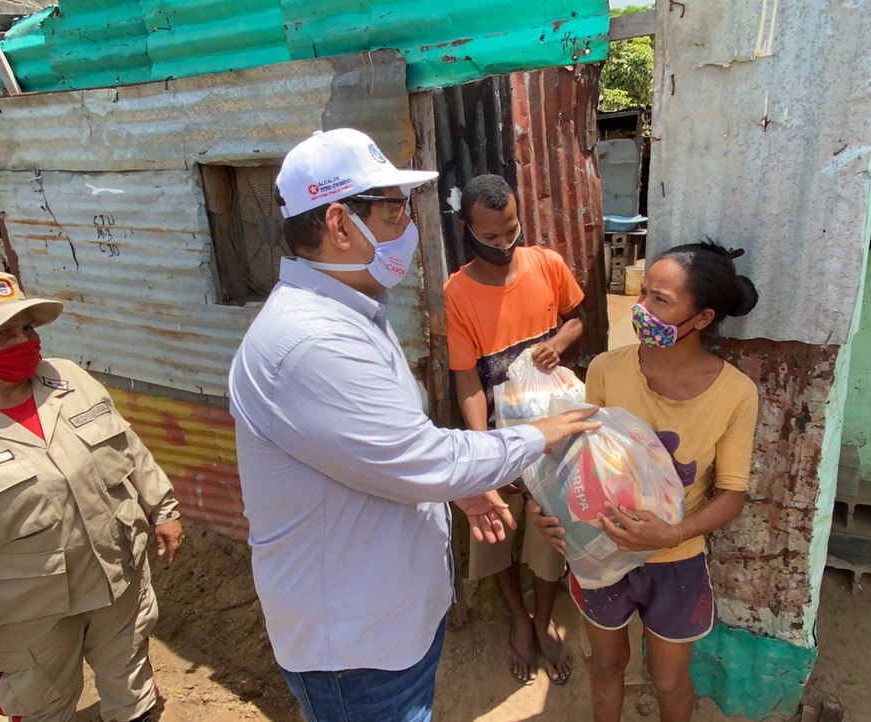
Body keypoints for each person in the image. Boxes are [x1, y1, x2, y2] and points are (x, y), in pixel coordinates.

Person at [228, 128, 598, 722]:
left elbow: (387, 450)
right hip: (355, 645)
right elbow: (421, 456)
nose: (410, 225)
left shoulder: (351, 316)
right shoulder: (312, 341)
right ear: (341, 224)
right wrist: (542, 435)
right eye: (396, 211)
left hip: (387, 620)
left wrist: (462, 484)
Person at [0, 272, 183, 722]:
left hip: (118, 576)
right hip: (26, 611)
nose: (22, 341)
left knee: (132, 682)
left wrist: (163, 508)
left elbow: (128, 448)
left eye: (25, 328)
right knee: (40, 704)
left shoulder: (70, 379)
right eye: (1, 334)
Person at [531, 242, 760, 722]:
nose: (640, 309)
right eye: (642, 295)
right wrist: (548, 513)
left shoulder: (736, 393)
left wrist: (672, 533)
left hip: (676, 563)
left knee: (671, 679)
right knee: (607, 664)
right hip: (601, 552)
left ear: (702, 318)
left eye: (660, 300)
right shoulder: (606, 369)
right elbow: (573, 459)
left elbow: (733, 495)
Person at [444, 174, 584, 686]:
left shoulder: (547, 263)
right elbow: (468, 382)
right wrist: (486, 453)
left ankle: (544, 619)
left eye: (510, 231)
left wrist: (561, 343)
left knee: (551, 533)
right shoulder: (457, 292)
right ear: (468, 231)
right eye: (491, 237)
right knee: (496, 529)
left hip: (553, 432)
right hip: (500, 435)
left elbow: (576, 319)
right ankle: (519, 621)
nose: (504, 245)